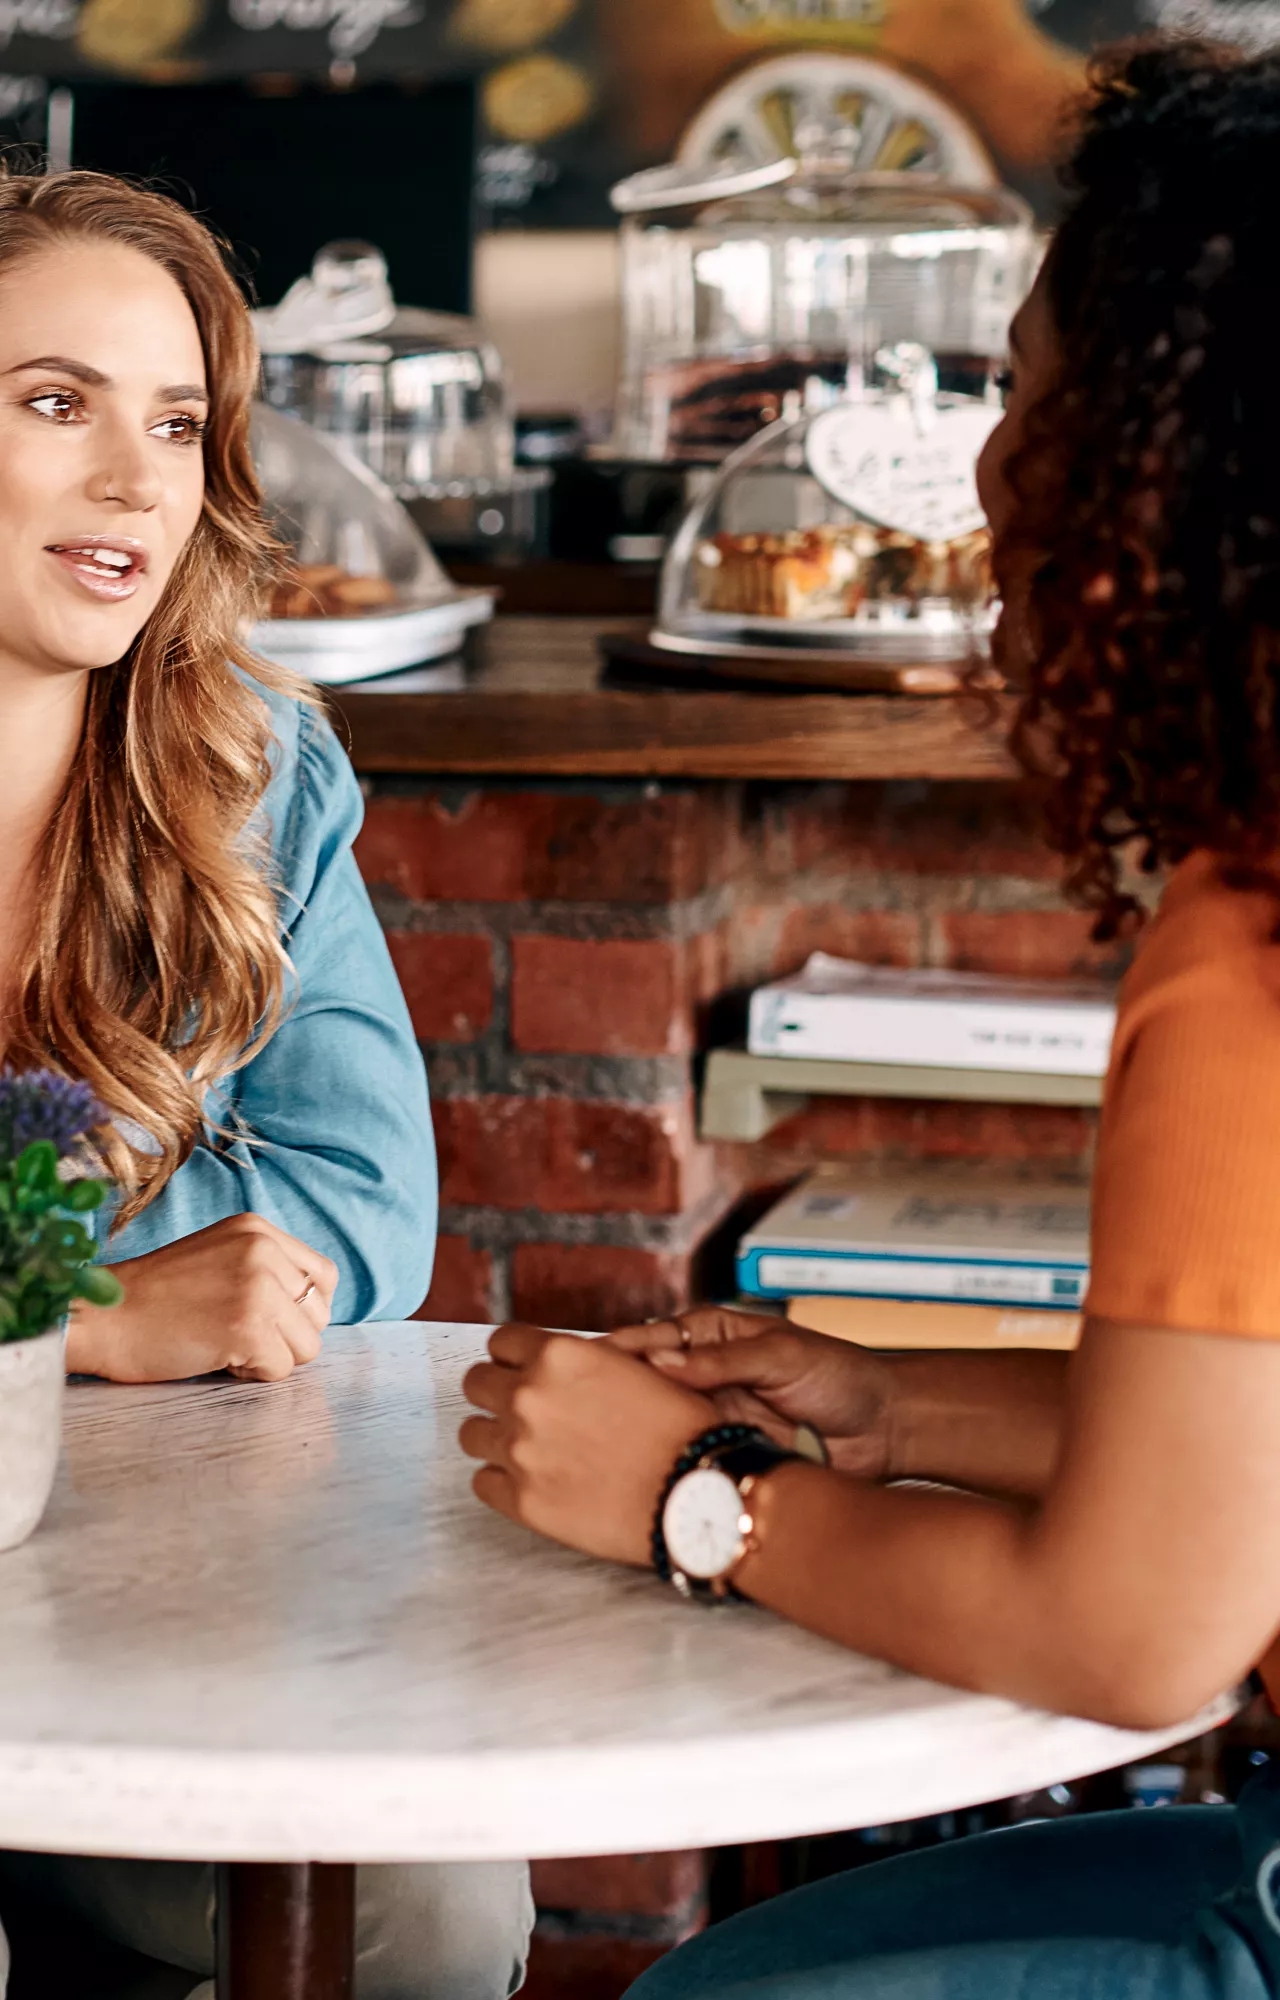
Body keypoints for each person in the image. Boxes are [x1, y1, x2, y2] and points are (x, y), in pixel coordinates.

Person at [461, 39, 1280, 2000]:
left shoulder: (1248, 944)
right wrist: (892, 1400)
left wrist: (699, 1502)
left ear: (1171, 470)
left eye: (1035, 400)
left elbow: (1132, 1641)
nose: (981, 468)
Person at [0, 167, 531, 1998]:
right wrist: (78, 1311)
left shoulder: (250, 765)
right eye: (54, 405)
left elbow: (363, 1209)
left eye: (175, 423)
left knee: (441, 1917)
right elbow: (178, 1290)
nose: (139, 483)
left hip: (141, 1558)